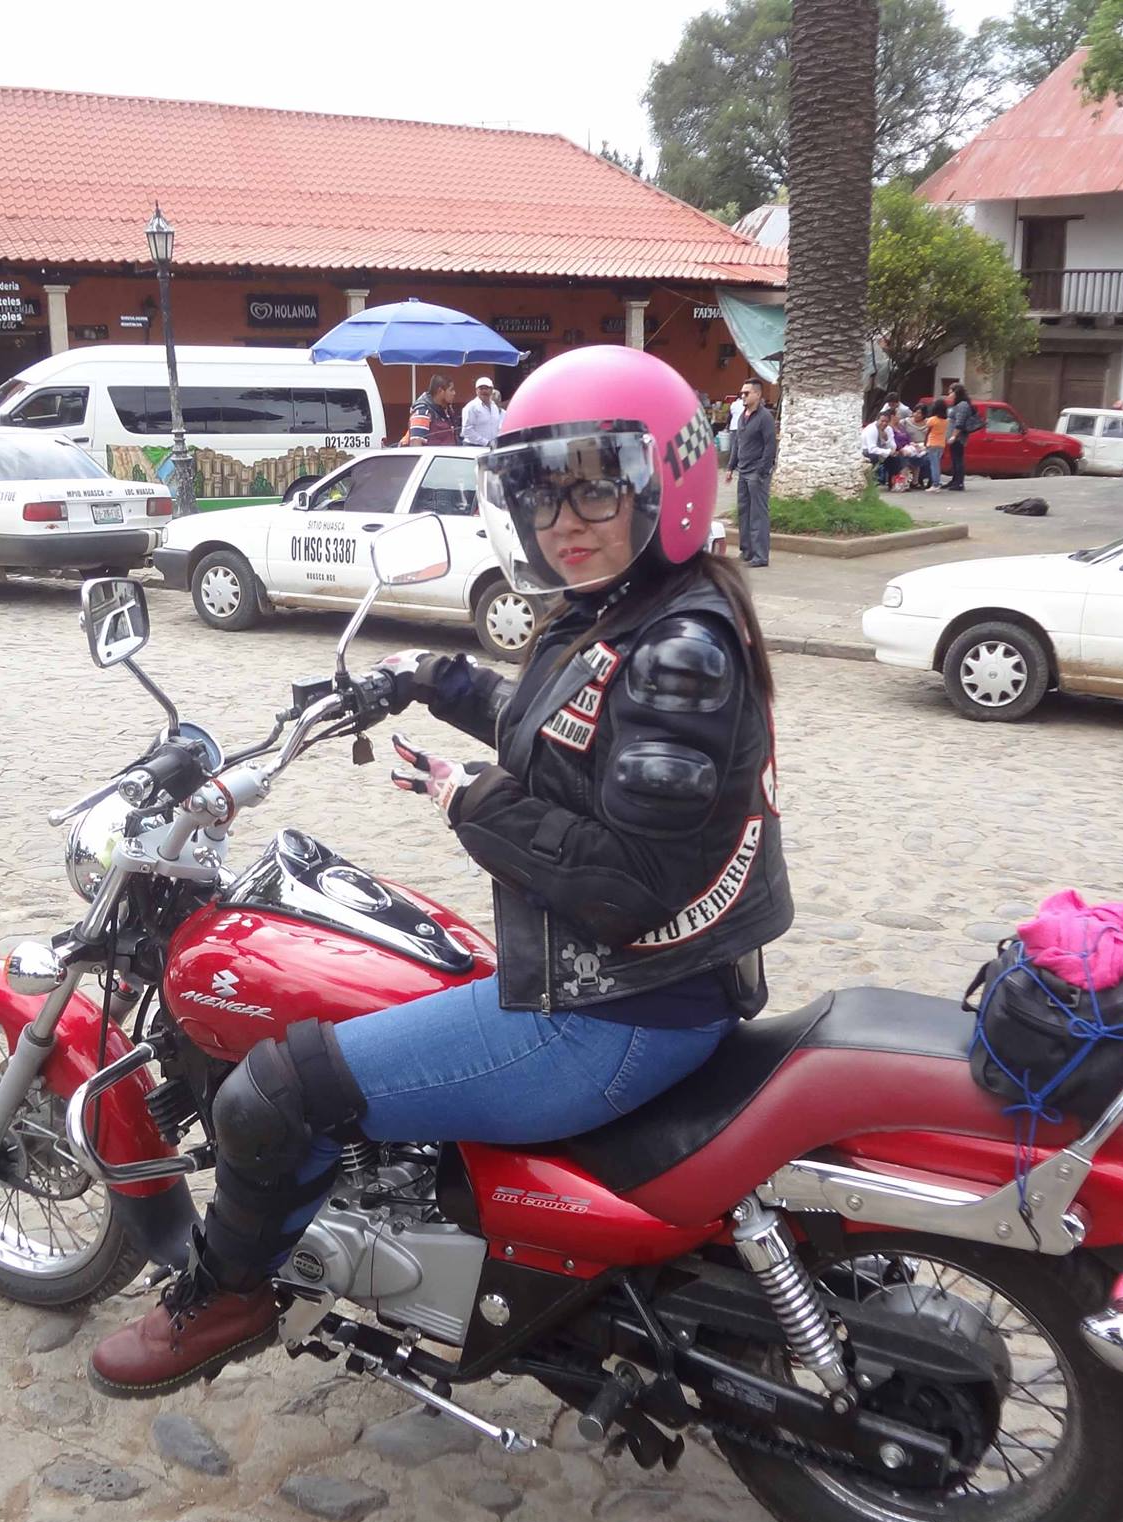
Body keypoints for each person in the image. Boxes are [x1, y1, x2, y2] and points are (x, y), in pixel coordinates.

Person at [88, 347, 793, 1397]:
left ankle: (224, 1297)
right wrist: (430, 678)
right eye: (538, 492)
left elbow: (628, 885)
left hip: (613, 1015)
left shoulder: (675, 651)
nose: (563, 518)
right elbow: (563, 733)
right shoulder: (634, 613)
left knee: (271, 1093)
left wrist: (472, 800)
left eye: (595, 486)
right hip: (640, 992)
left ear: (669, 480)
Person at [727, 378, 774, 567]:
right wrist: (730, 467)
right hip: (743, 471)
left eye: (746, 393)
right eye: (742, 393)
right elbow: (737, 443)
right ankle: (747, 551)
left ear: (758, 394)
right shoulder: (742, 416)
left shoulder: (765, 417)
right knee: (744, 512)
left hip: (757, 472)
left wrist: (762, 470)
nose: (743, 396)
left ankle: (760, 556)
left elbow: (770, 446)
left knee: (758, 514)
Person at [405, 374, 461, 447]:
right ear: (440, 391)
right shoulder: (422, 411)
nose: (454, 393)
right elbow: (416, 443)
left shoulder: (447, 410)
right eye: (451, 390)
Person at [945, 384, 980, 491]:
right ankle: (954, 480)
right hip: (953, 436)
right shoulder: (957, 404)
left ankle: (959, 482)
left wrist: (954, 436)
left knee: (958, 459)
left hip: (958, 438)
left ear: (956, 393)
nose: (949, 395)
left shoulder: (962, 405)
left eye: (951, 392)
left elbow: (960, 422)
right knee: (954, 459)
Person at [860, 405, 902, 489]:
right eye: (882, 421)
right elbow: (872, 449)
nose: (884, 423)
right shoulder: (871, 429)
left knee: (896, 458)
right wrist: (888, 452)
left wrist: (887, 439)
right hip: (867, 452)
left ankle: (892, 482)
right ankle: (870, 481)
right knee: (874, 456)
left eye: (887, 421)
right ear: (877, 420)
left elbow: (893, 445)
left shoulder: (888, 429)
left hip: (881, 452)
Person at [460, 377, 504, 447]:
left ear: (491, 390)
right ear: (476, 390)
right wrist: (486, 442)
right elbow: (466, 431)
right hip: (473, 447)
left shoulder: (494, 406)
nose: (484, 391)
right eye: (481, 388)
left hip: (491, 447)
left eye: (486, 388)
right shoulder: (471, 407)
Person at [923, 399, 950, 492]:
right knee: (937, 464)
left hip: (932, 443)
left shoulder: (932, 420)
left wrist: (925, 442)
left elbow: (927, 432)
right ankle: (937, 482)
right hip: (941, 444)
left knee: (934, 465)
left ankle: (935, 484)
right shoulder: (946, 421)